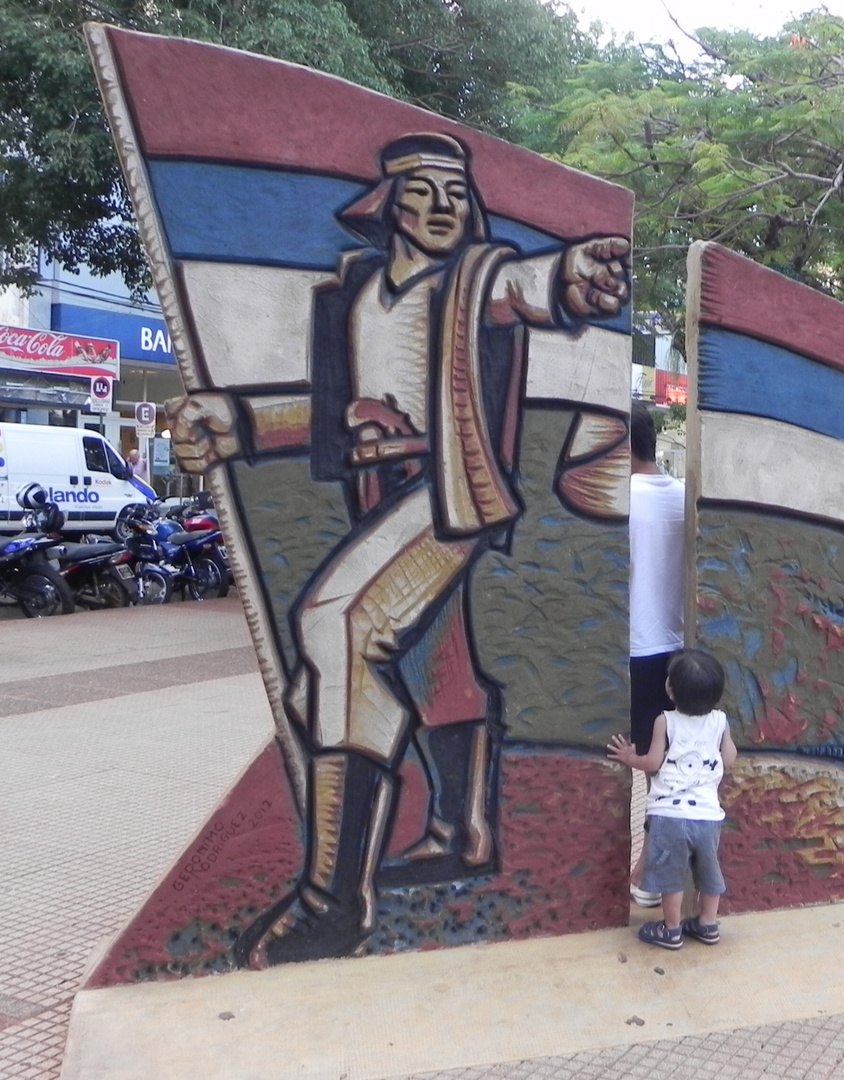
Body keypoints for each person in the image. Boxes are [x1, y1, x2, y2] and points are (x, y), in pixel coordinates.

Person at [171, 132, 630, 966]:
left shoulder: (473, 279)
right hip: (376, 494)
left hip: (446, 499)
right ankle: (462, 830)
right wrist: (235, 424)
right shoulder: (355, 293)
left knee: (339, 626)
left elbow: (524, 288)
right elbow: (326, 411)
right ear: (389, 205)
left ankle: (332, 904)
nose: (445, 207)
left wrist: (571, 275)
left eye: (457, 193)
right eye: (425, 192)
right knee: (439, 666)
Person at [608, 650, 737, 949]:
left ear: (669, 689)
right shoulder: (720, 721)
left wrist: (630, 757)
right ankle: (707, 924)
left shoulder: (664, 721)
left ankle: (671, 928)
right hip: (708, 816)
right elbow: (729, 757)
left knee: (672, 876)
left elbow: (652, 762)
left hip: (669, 816)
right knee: (709, 872)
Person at [627, 403, 687, 908]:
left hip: (632, 648)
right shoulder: (685, 497)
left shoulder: (616, 499)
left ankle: (651, 871)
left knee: (647, 766)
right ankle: (656, 868)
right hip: (680, 648)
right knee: (665, 765)